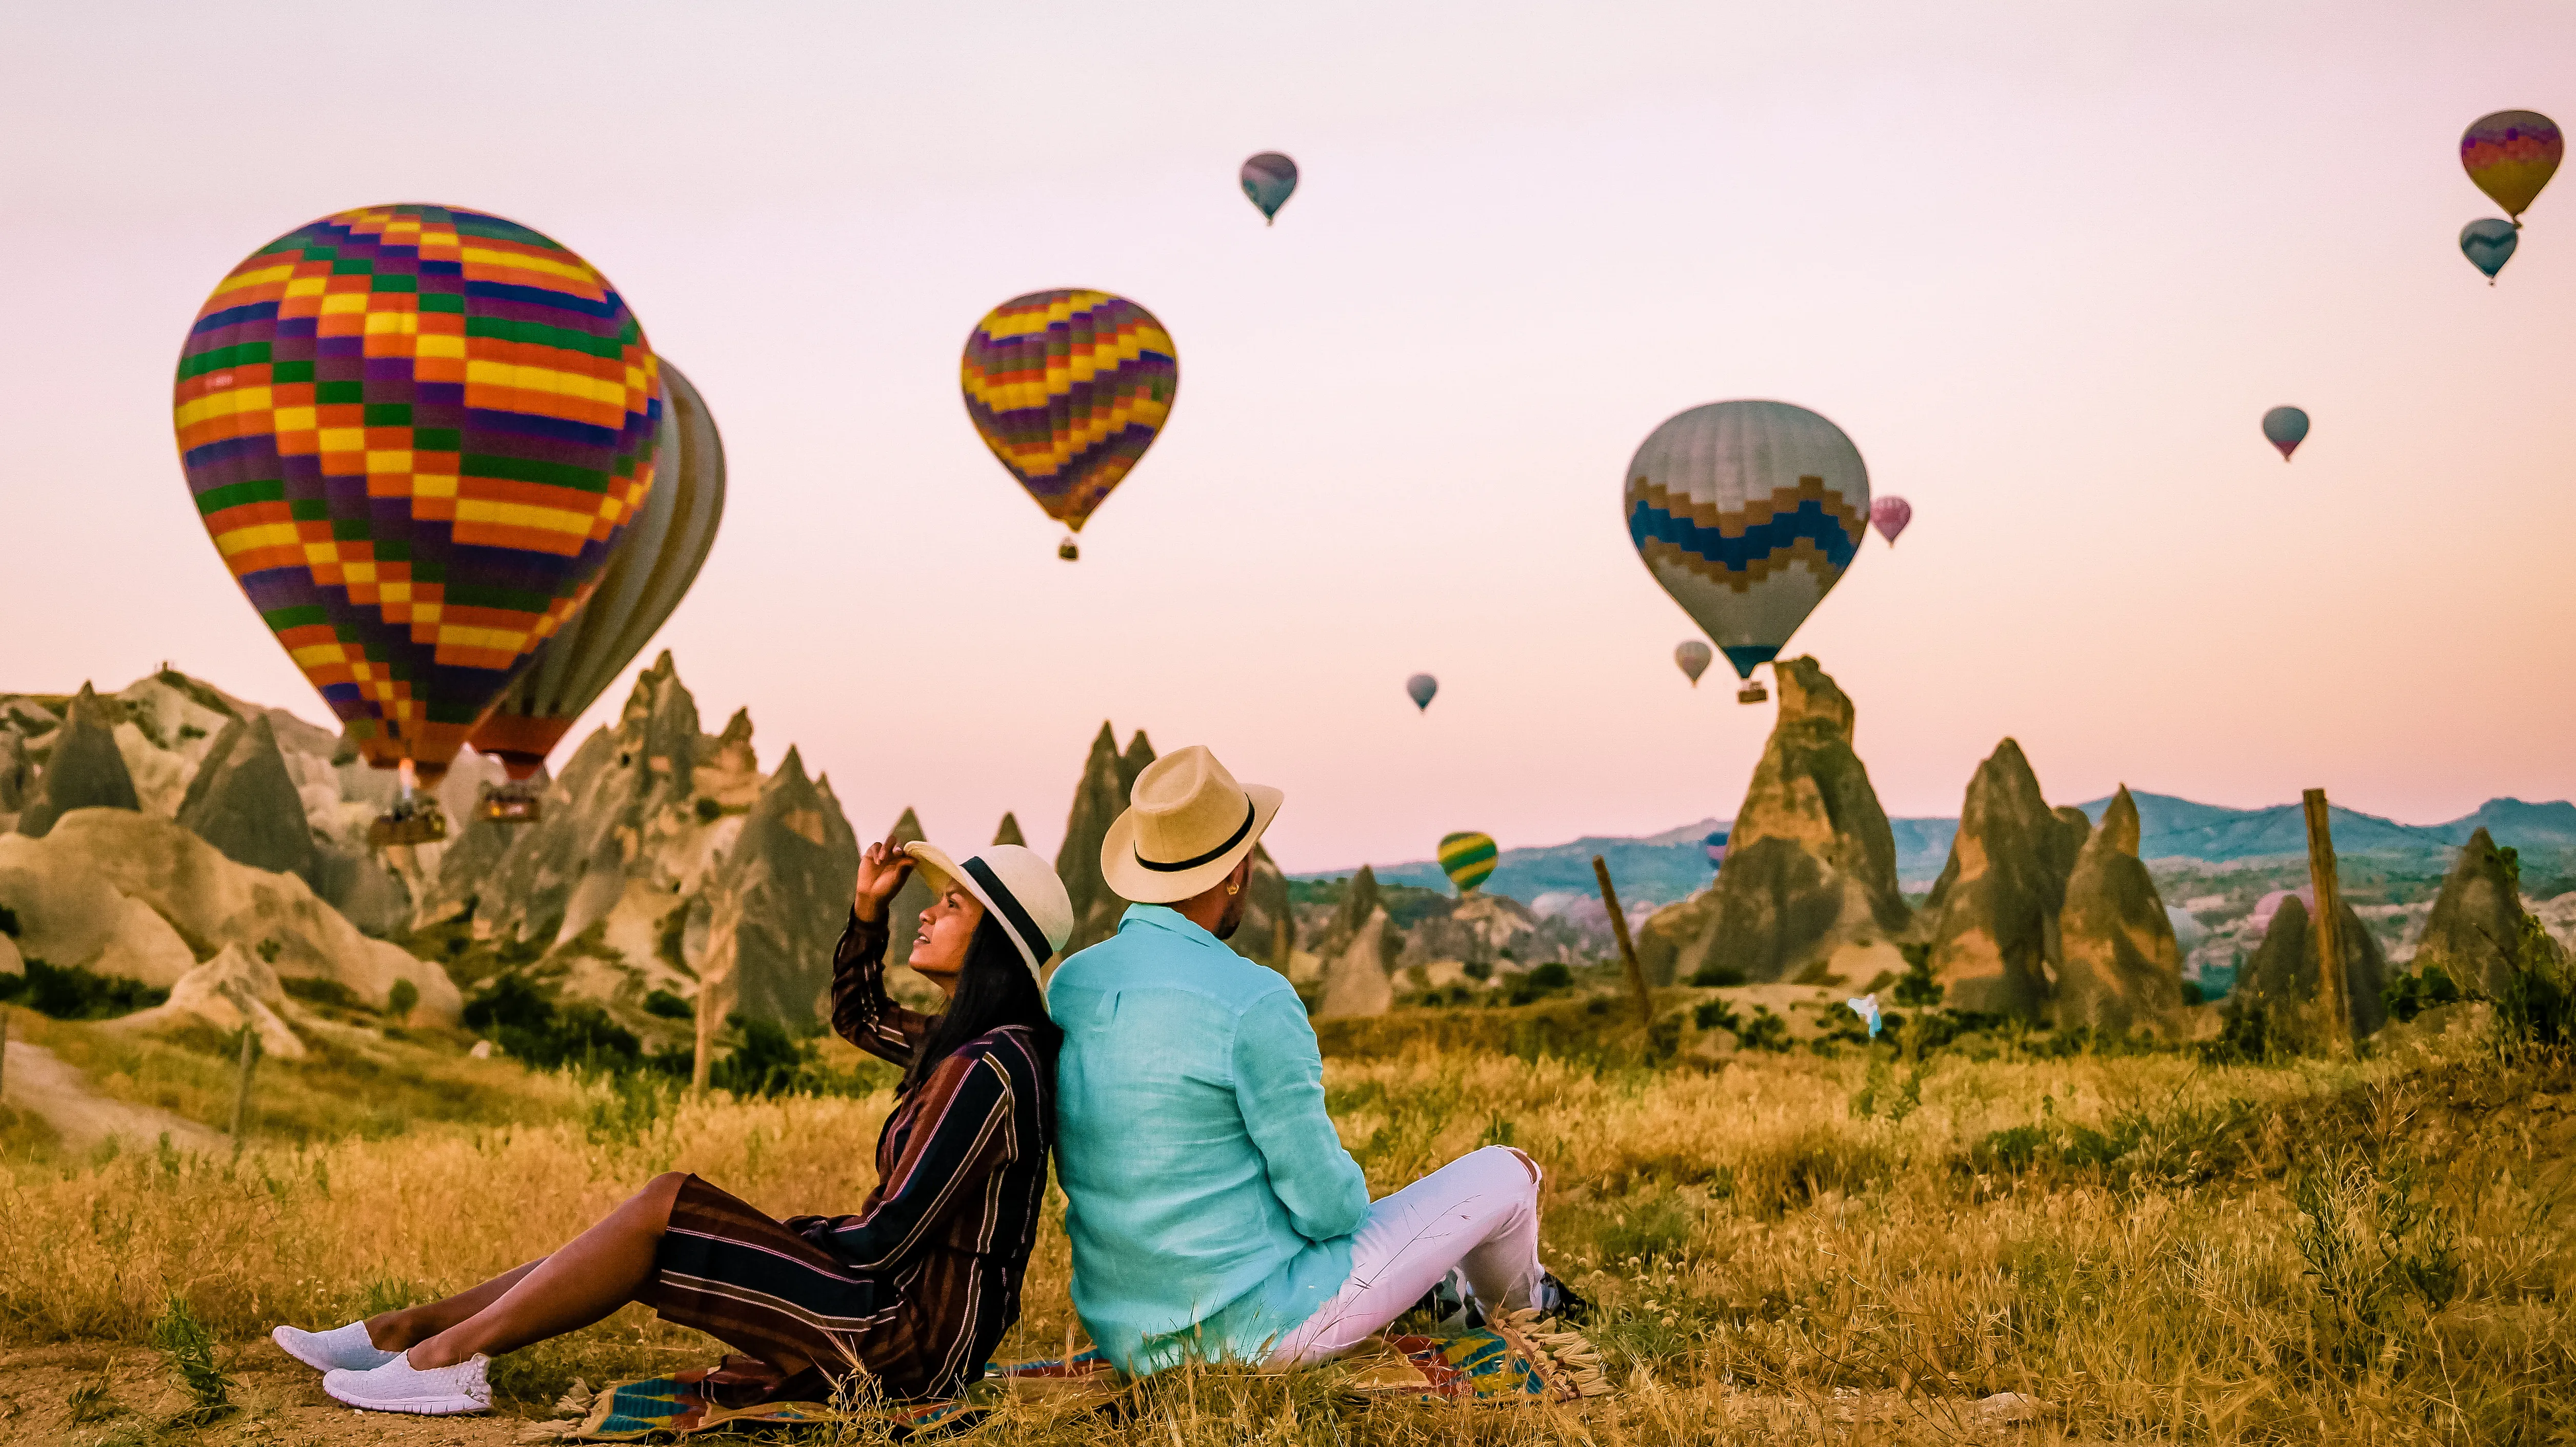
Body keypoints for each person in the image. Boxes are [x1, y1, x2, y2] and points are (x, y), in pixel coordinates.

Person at [268, 835, 1073, 1416]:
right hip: (880, 1302)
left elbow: (886, 1238)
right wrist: (869, 911)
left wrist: (770, 1236)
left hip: (908, 1340)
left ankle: (443, 1358)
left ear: (996, 944)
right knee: (654, 1220)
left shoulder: (988, 1070)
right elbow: (856, 1013)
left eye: (950, 904)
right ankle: (403, 1333)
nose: (927, 914)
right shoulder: (956, 1043)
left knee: (667, 1205)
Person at [1048, 745, 1587, 1377]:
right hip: (1263, 1330)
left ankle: (1452, 1299)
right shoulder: (1253, 998)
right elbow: (1329, 1211)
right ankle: (1529, 1314)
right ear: (1237, 871)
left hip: (1128, 1331)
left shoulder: (1072, 983)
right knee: (1508, 1170)